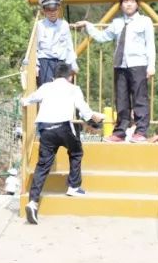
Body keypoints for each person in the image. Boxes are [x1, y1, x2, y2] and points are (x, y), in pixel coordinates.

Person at [21, 63, 104, 225]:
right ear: (70, 76)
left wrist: (23, 101)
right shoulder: (73, 88)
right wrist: (94, 120)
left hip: (45, 128)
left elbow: (30, 99)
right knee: (76, 151)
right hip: (64, 126)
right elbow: (84, 109)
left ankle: (33, 202)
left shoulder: (46, 87)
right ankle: (73, 186)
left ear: (55, 76)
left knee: (43, 165)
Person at [73, 0, 155, 143]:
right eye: (125, 1)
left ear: (137, 4)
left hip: (139, 64)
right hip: (120, 65)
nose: (128, 4)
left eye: (131, 1)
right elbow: (102, 37)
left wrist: (151, 66)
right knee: (121, 99)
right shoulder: (117, 23)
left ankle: (141, 131)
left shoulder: (145, 21)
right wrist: (88, 25)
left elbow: (150, 45)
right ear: (121, 5)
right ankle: (120, 132)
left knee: (140, 99)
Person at [34, 0, 78, 87]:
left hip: (61, 62)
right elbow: (35, 48)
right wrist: (36, 65)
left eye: (55, 9)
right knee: (47, 90)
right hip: (45, 62)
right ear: (44, 11)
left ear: (58, 8)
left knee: (62, 91)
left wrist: (73, 63)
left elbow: (69, 46)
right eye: (48, 9)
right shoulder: (39, 25)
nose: (52, 12)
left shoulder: (64, 25)